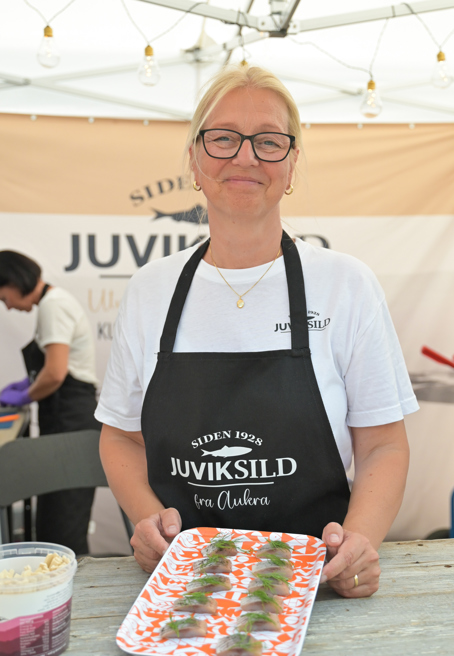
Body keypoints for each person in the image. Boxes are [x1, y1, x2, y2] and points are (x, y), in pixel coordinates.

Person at [95, 65, 419, 598]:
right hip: (184, 586)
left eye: (268, 141)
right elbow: (121, 436)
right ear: (195, 160)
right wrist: (149, 520)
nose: (245, 157)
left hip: (316, 583)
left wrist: (359, 542)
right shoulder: (149, 290)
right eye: (223, 138)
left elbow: (383, 444)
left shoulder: (347, 285)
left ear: (291, 165)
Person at [0, 250, 100, 554]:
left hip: (71, 422)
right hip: (65, 420)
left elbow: (55, 373)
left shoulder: (53, 305)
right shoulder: (52, 303)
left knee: (63, 527)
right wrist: (28, 384)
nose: (7, 305)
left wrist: (26, 394)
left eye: (3, 297)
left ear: (14, 281)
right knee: (55, 520)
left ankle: (73, 585)